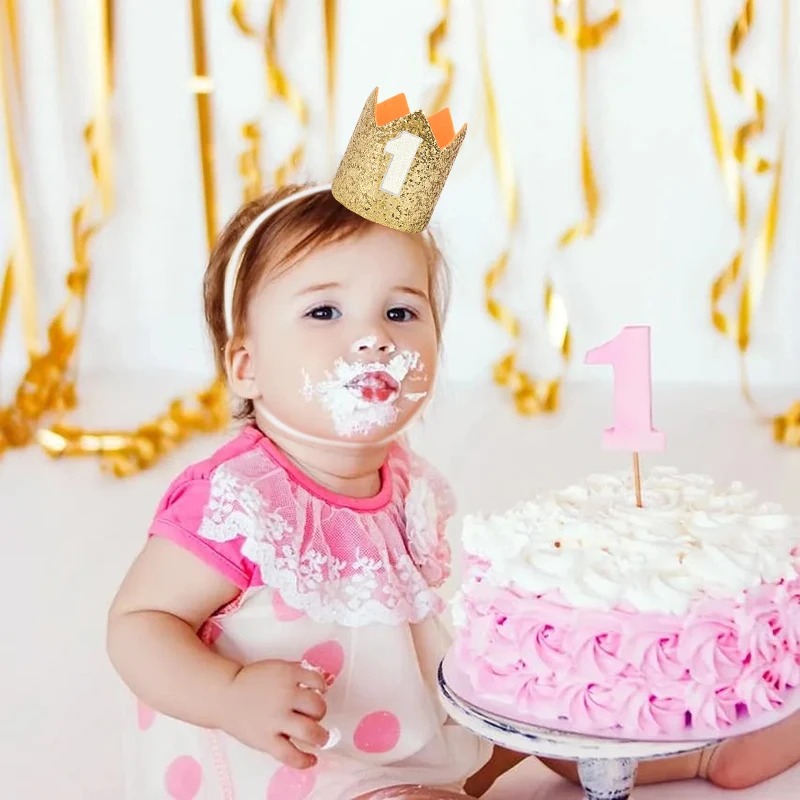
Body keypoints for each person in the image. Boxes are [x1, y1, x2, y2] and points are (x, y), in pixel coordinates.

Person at [106, 183, 524, 799]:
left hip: (394, 731)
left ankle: (682, 760)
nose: (375, 337)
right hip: (292, 765)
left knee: (537, 710)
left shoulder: (402, 479)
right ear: (246, 368)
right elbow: (138, 623)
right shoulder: (239, 501)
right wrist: (228, 695)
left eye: (401, 312)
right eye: (324, 312)